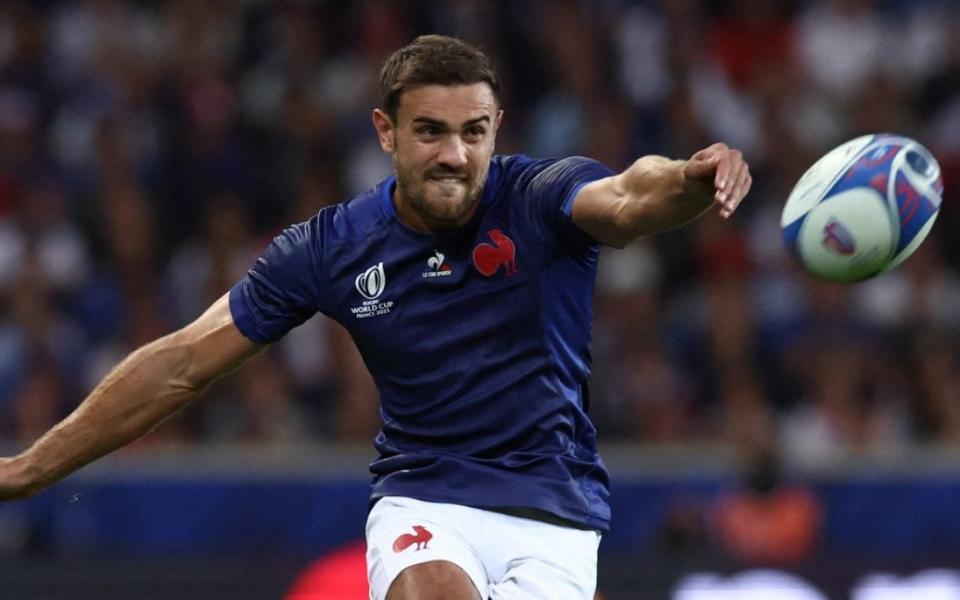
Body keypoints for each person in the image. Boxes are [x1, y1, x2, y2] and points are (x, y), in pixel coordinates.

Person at [0, 35, 751, 599]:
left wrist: (689, 178)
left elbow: (629, 196)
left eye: (474, 132)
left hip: (553, 514)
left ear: (497, 128)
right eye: (430, 131)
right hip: (424, 498)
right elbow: (182, 363)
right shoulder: (331, 247)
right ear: (386, 132)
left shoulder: (538, 197)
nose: (455, 154)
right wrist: (32, 468)